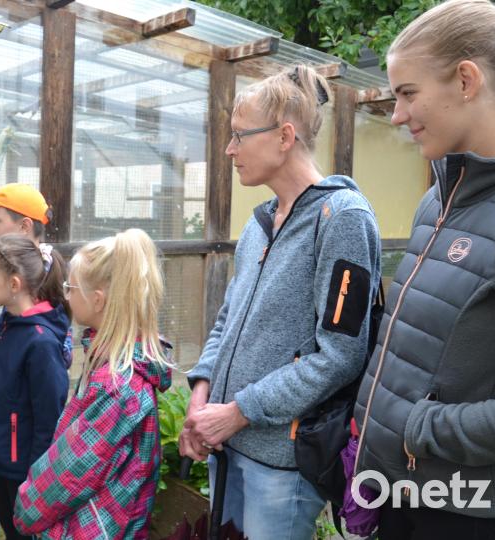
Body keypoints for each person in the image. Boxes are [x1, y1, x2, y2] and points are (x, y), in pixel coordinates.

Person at [352, 1, 495, 538]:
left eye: (407, 93)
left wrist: (423, 428)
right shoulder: (438, 200)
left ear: (466, 80)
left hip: (486, 517)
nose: (396, 115)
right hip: (410, 497)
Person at [179, 65, 382, 540]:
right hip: (226, 445)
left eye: (238, 137)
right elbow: (228, 317)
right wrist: (202, 391)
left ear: (284, 135)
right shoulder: (259, 223)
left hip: (280, 464)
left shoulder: (342, 220)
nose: (229, 150)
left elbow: (340, 355)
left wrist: (239, 411)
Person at [13, 228, 173, 539]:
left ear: (97, 300)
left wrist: (25, 506)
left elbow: (71, 473)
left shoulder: (114, 387)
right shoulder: (114, 366)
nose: (66, 295)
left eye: (70, 287)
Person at [0, 234, 70, 540]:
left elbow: (48, 422)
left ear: (14, 285)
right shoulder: (2, 326)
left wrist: (35, 481)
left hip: (26, 478)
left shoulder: (40, 343)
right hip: (1, 467)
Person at [0, 183, 72, 417]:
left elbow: (55, 360)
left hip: (13, 420)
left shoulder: (46, 281)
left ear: (24, 227)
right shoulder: (0, 271)